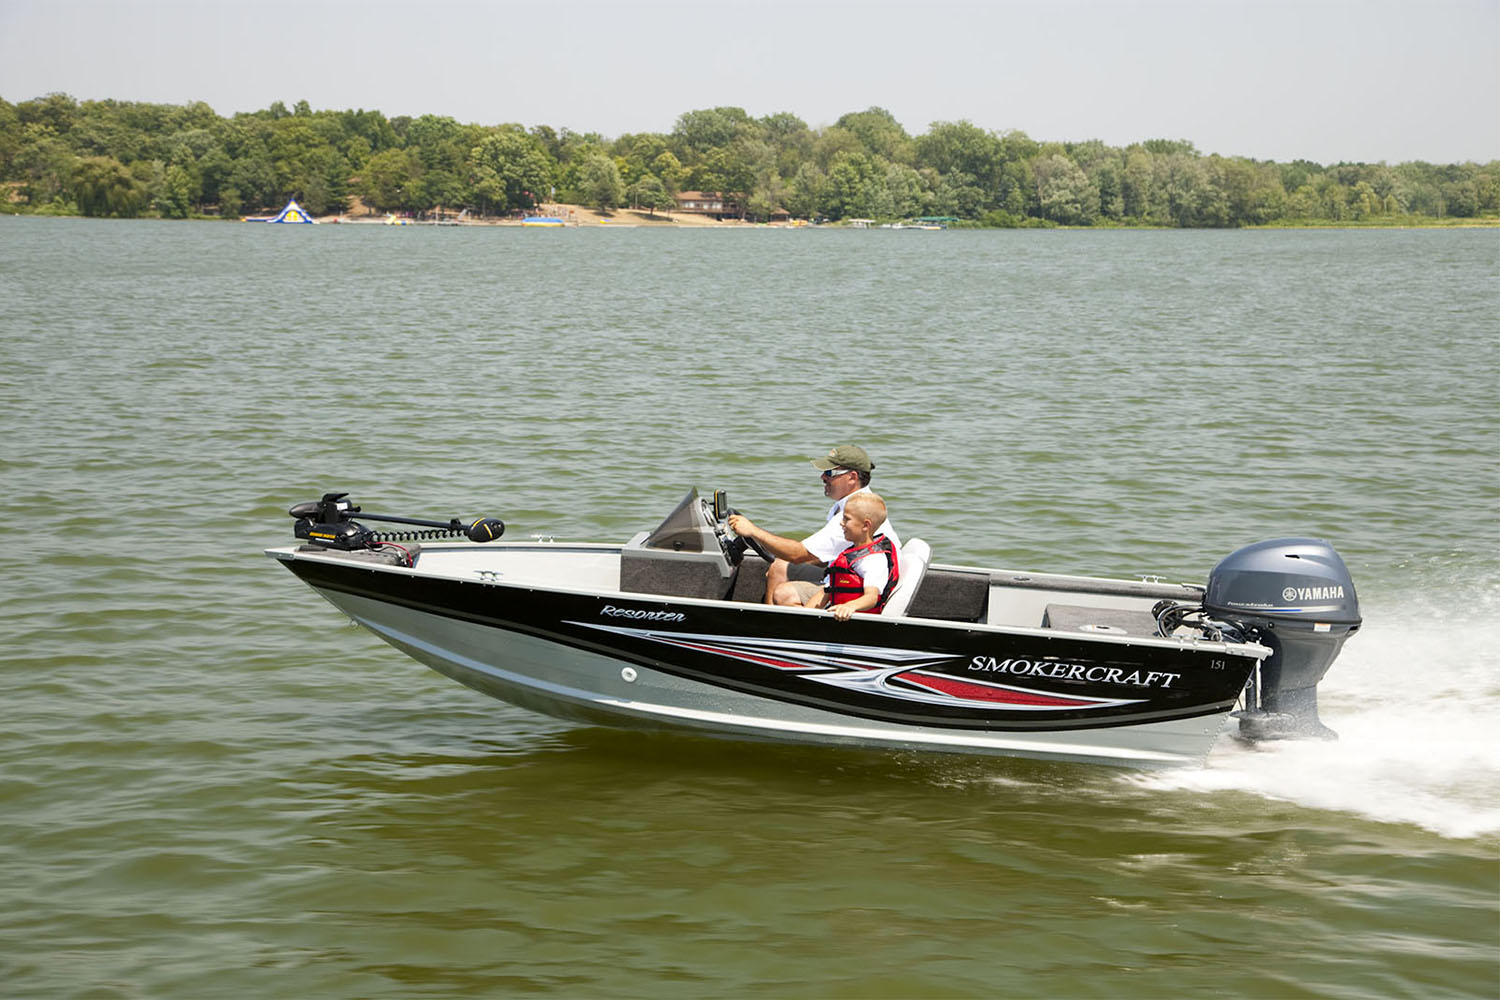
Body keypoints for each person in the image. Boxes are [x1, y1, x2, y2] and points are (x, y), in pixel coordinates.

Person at [727, 444, 900, 607]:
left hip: (853, 592)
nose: (823, 477)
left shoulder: (854, 517)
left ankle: (788, 630)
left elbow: (797, 554)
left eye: (829, 472)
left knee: (785, 593)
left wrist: (753, 531)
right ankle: (769, 624)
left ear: (852, 477)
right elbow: (816, 555)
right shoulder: (852, 505)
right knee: (780, 566)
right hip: (844, 576)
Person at [802, 492, 900, 620]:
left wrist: (849, 606)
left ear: (866, 525)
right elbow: (826, 592)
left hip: (855, 621)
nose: (842, 523)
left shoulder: (873, 560)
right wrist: (803, 615)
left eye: (846, 519)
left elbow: (871, 597)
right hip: (837, 612)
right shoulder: (851, 553)